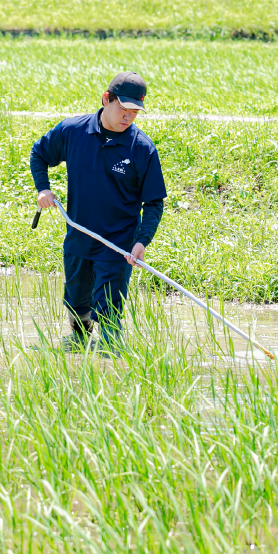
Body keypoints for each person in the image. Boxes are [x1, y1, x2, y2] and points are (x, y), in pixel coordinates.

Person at [31, 72, 167, 354]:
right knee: (77, 306)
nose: (128, 117)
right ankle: (80, 349)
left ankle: (110, 353)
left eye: (134, 112)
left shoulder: (142, 149)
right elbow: (39, 154)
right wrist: (43, 189)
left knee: (107, 312)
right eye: (123, 109)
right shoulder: (73, 131)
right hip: (79, 238)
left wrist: (142, 241)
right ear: (107, 99)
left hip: (118, 245)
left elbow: (154, 203)